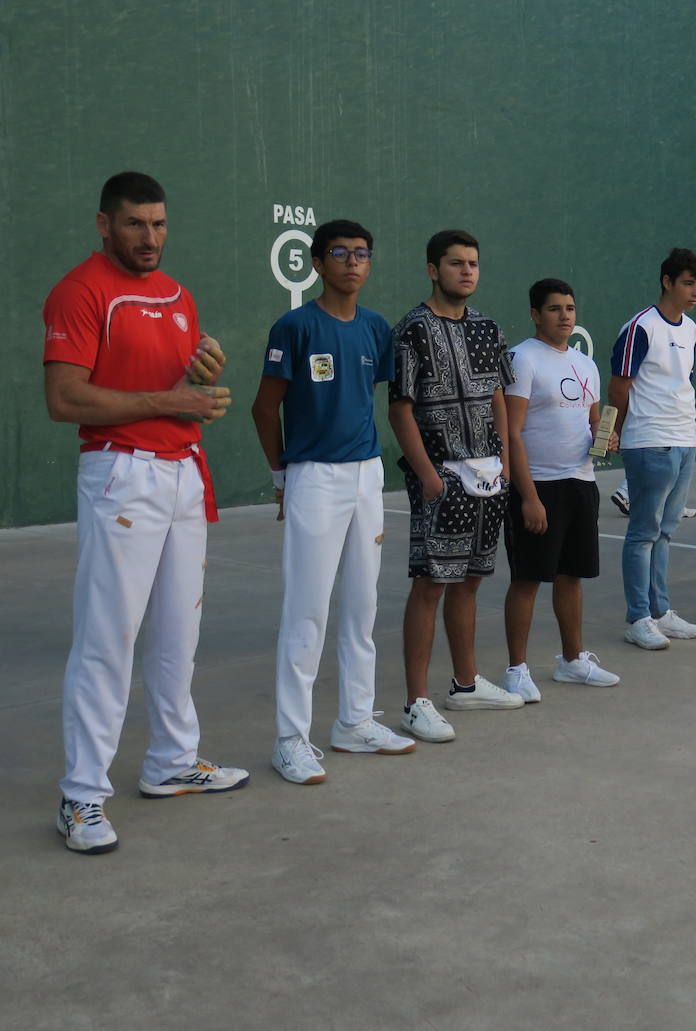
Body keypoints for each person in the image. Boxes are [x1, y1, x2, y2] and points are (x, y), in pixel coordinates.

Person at [43, 171, 246, 853]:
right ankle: (81, 795)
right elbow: (65, 399)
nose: (150, 237)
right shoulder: (81, 292)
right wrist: (172, 403)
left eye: (159, 223)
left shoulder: (180, 296)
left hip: (183, 475)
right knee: (108, 639)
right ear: (105, 224)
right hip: (121, 477)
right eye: (135, 224)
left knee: (175, 634)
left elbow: (172, 389)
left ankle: (171, 760)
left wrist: (198, 378)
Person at [252, 219, 416, 784]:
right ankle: (290, 739)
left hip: (366, 476)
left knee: (361, 605)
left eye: (362, 254)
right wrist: (283, 476)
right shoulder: (294, 326)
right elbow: (263, 408)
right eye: (340, 253)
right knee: (307, 610)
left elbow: (375, 401)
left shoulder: (375, 329)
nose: (352, 262)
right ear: (318, 263)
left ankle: (353, 722)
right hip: (313, 478)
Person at [386, 229, 525, 742]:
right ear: (432, 269)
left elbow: (497, 396)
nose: (466, 271)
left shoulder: (488, 327)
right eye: (455, 263)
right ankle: (416, 702)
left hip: (489, 475)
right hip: (441, 477)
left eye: (473, 263)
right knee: (431, 583)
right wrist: (427, 475)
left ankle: (465, 686)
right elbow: (400, 406)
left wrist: (507, 465)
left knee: (470, 579)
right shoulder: (411, 329)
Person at [502, 279, 621, 695]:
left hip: (581, 483)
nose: (565, 315)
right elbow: (511, 434)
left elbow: (592, 422)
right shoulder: (521, 359)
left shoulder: (585, 364)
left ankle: (572, 660)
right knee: (528, 578)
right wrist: (529, 496)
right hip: (538, 487)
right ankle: (516, 670)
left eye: (569, 308)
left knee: (572, 576)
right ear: (535, 314)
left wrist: (604, 437)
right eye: (554, 309)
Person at [608, 248, 696, 650]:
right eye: (688, 282)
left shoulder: (691, 329)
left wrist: (689, 435)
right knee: (643, 532)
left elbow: (681, 381)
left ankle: (661, 612)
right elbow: (619, 387)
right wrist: (612, 433)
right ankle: (638, 618)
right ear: (667, 282)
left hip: (685, 440)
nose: (695, 291)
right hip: (648, 442)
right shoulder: (639, 328)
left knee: (666, 532)